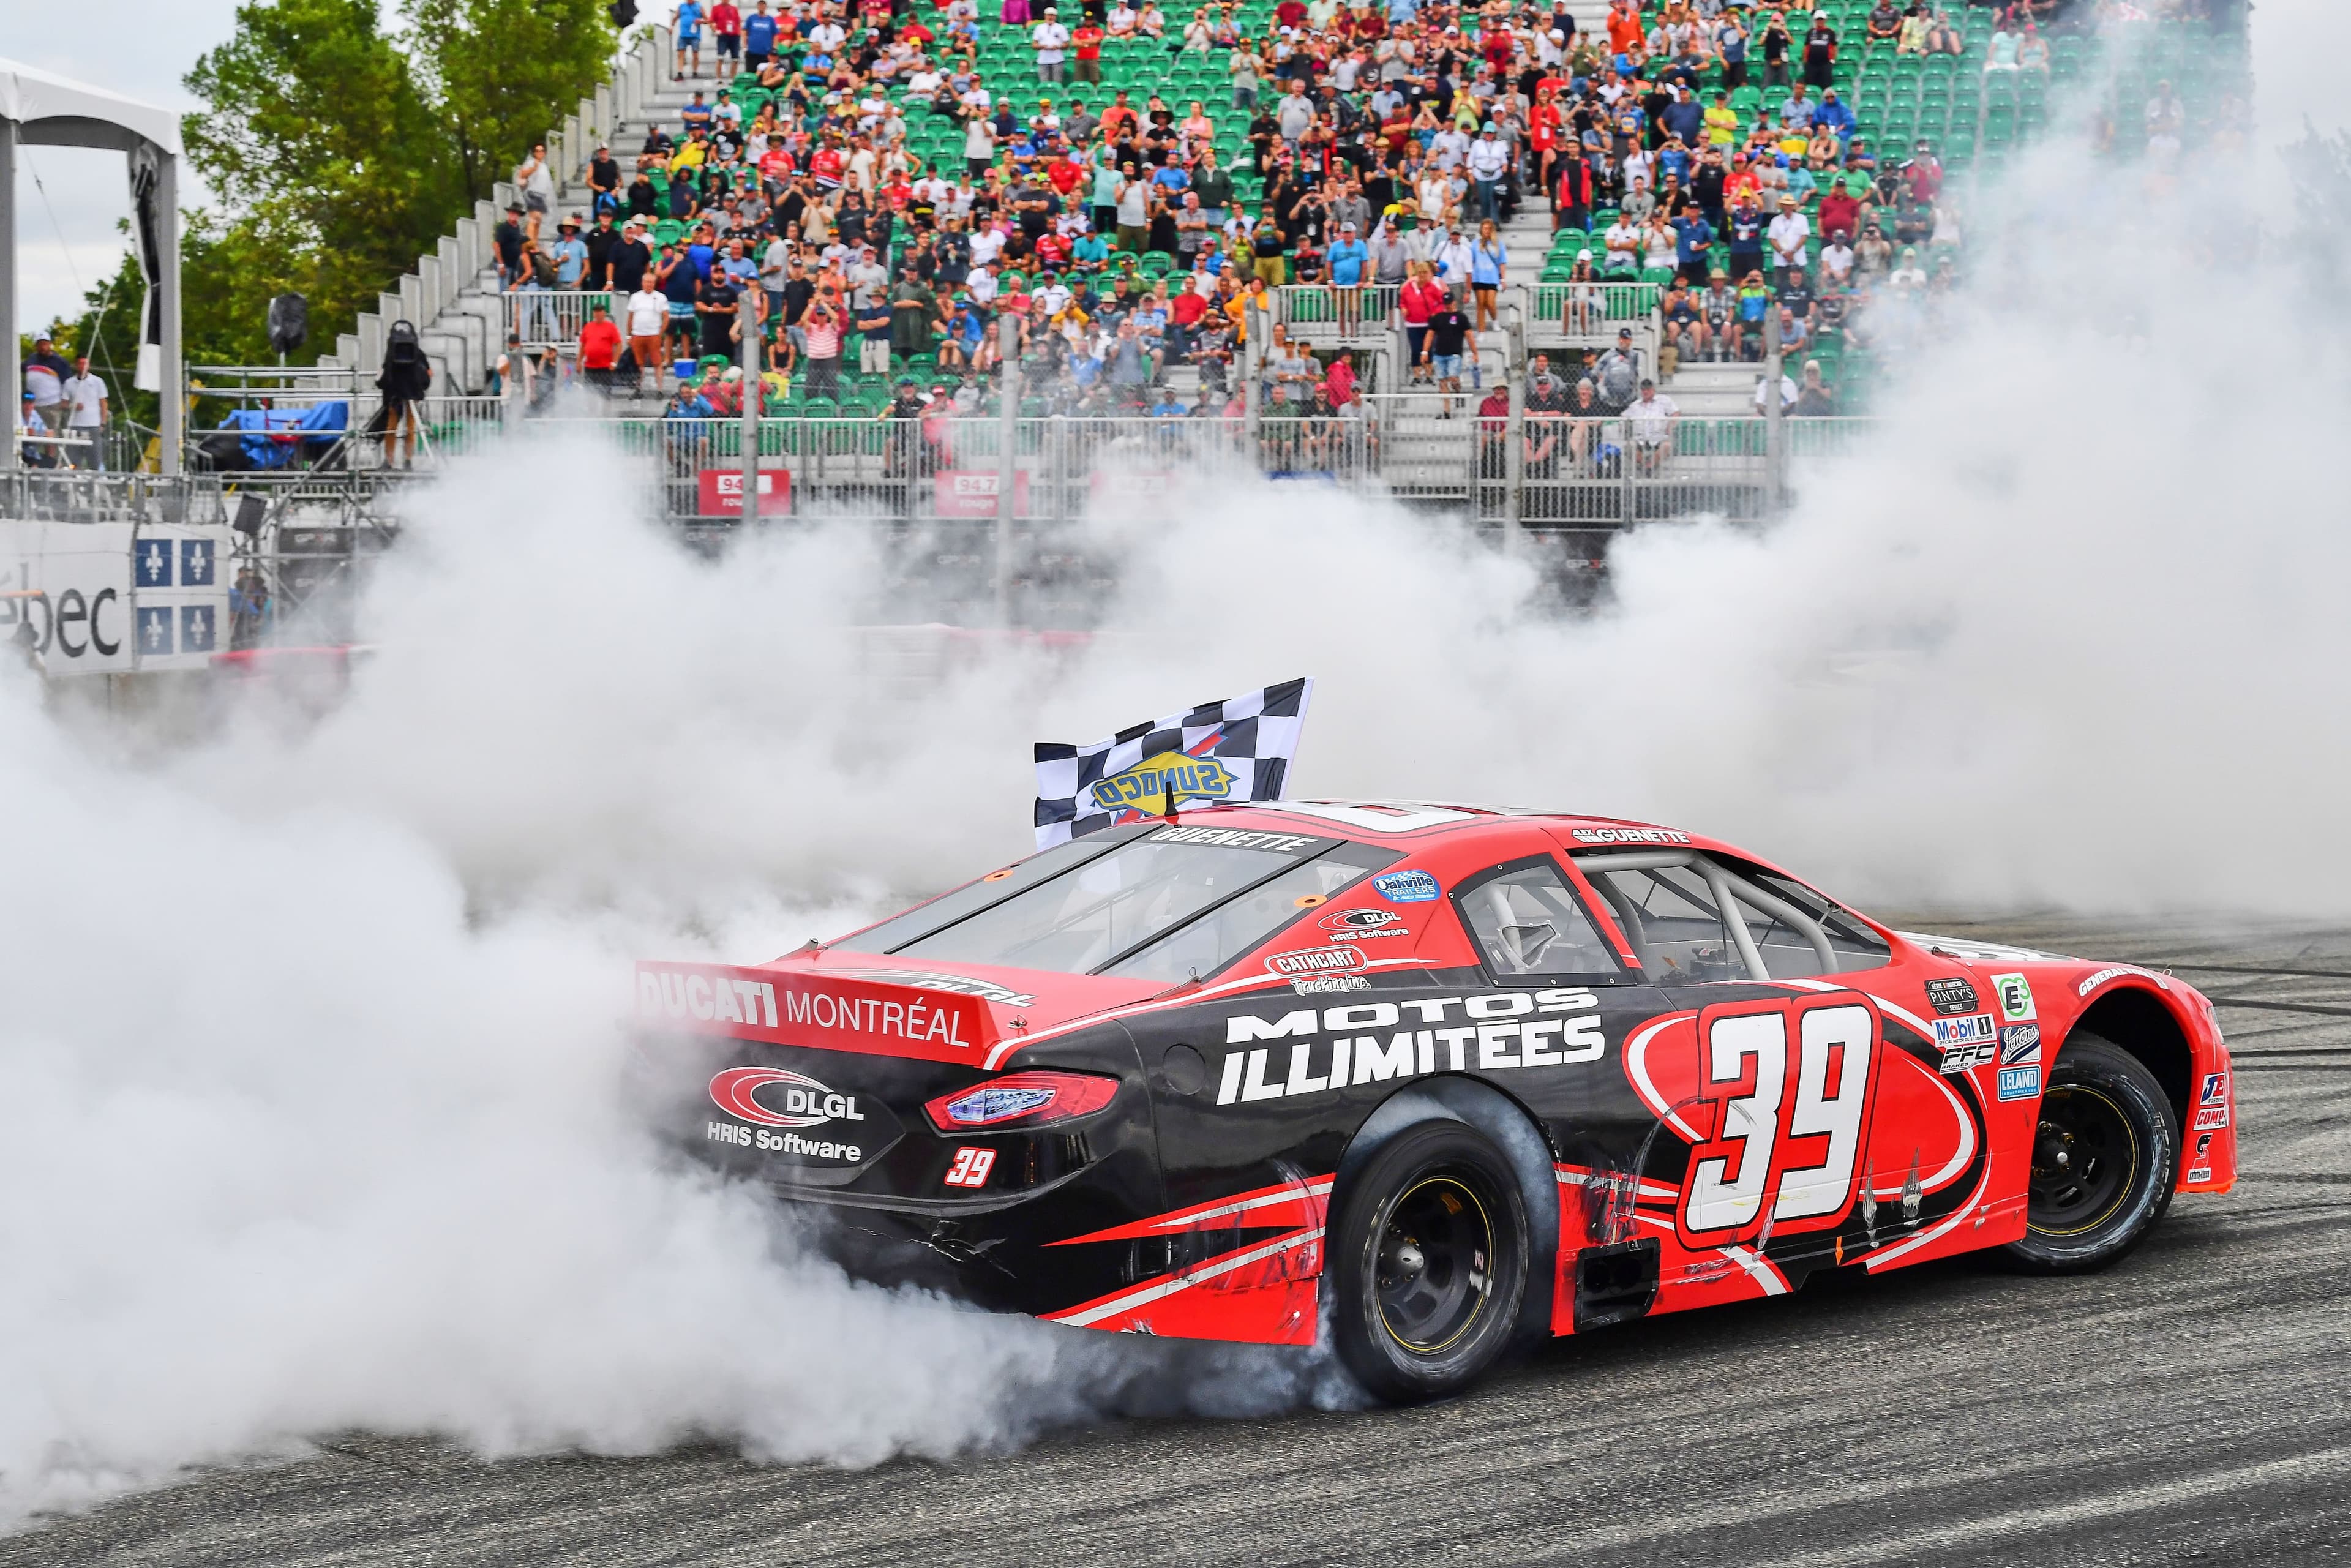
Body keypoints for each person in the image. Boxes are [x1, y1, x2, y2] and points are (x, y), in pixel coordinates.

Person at [376, 319, 432, 469]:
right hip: (412, 394)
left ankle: (389, 461)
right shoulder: (419, 354)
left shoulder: (391, 353)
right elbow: (427, 375)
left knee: (391, 428)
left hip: (394, 395)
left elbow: (383, 377)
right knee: (410, 427)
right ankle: (408, 459)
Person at [61, 354, 108, 470]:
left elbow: (103, 403)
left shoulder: (98, 382)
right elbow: (63, 404)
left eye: (85, 364)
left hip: (93, 425)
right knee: (74, 460)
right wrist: (73, 406)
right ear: (76, 365)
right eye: (80, 364)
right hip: (75, 426)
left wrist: (103, 422)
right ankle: (74, 483)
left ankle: (96, 483)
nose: (83, 367)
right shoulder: (69, 383)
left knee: (95, 458)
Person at [625, 280, 670, 397]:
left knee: (657, 363)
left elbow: (666, 317)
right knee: (639, 363)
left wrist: (660, 333)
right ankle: (638, 389)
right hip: (638, 334)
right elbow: (630, 318)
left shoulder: (660, 297)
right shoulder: (635, 297)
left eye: (651, 283)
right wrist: (629, 335)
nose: (649, 285)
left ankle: (660, 390)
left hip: (654, 334)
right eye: (647, 282)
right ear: (642, 283)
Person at [579, 301, 624, 395]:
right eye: (596, 312)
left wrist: (615, 362)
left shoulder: (611, 327)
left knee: (605, 393)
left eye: (600, 311)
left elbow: (618, 344)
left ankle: (606, 409)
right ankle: (591, 410)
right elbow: (583, 345)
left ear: (604, 313)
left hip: (605, 367)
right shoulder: (588, 327)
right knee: (589, 393)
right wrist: (579, 362)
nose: (598, 314)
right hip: (590, 367)